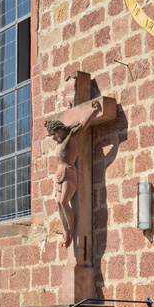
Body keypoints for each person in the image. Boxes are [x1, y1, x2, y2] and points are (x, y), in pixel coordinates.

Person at [45, 98, 101, 247]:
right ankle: (65, 232)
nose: (54, 137)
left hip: (69, 172)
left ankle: (71, 232)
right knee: (58, 203)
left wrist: (94, 111)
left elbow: (83, 125)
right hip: (59, 175)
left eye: (55, 133)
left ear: (60, 130)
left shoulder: (71, 136)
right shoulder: (59, 143)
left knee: (64, 201)